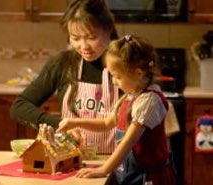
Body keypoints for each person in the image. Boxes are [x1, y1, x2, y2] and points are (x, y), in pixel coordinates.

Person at [57, 35, 177, 185]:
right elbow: (106, 123)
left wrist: (104, 169)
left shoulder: (149, 101)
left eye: (117, 76)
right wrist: (75, 122)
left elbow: (129, 141)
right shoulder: (129, 97)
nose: (114, 81)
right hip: (130, 172)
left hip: (148, 178)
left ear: (138, 73)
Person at [10, 0, 120, 154]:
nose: (84, 46)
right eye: (75, 38)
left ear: (108, 29)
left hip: (117, 166)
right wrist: (59, 124)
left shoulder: (125, 63)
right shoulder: (63, 64)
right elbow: (19, 107)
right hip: (70, 162)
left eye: (91, 37)